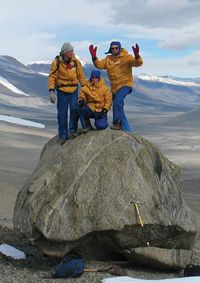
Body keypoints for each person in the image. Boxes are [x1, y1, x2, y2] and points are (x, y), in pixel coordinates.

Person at [89, 41, 143, 132]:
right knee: (118, 107)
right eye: (112, 48)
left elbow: (138, 63)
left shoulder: (126, 57)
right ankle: (127, 129)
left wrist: (137, 56)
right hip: (115, 88)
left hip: (126, 84)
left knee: (118, 100)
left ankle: (116, 123)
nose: (114, 50)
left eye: (116, 48)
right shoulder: (108, 59)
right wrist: (94, 57)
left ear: (119, 48)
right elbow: (99, 65)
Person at [48, 42, 86, 145]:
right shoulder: (57, 62)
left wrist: (85, 88)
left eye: (72, 51)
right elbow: (52, 77)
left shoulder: (76, 62)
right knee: (62, 114)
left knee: (74, 109)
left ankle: (73, 130)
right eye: (70, 52)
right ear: (64, 52)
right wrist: (51, 91)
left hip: (74, 90)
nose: (72, 53)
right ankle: (63, 135)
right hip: (62, 91)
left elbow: (81, 76)